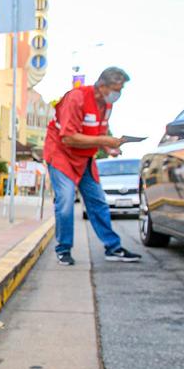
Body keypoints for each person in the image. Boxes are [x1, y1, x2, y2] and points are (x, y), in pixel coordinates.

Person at [44, 66, 141, 266]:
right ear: (102, 85)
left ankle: (113, 248)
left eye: (121, 89)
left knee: (98, 202)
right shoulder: (76, 98)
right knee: (66, 201)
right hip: (61, 154)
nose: (118, 94)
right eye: (116, 89)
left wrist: (111, 147)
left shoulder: (106, 106)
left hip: (85, 158)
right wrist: (105, 140)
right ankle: (63, 249)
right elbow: (69, 138)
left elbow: (98, 135)